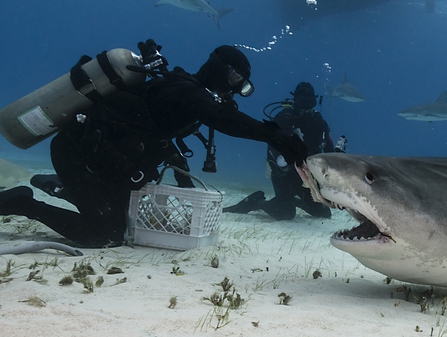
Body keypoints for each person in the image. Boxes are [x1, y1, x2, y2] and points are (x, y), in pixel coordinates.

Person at [0, 45, 309, 247]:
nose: (235, 89)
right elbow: (223, 119)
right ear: (221, 71)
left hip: (100, 160)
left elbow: (149, 129)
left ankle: (60, 187)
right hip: (77, 153)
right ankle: (23, 203)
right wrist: (276, 137)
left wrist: (175, 158)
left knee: (121, 218)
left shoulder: (182, 88)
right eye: (236, 80)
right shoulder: (187, 92)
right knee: (106, 235)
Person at [224, 81, 344, 220]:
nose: (305, 106)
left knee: (323, 212)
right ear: (294, 101)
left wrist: (338, 158)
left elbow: (328, 150)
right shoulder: (283, 119)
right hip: (284, 176)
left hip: (306, 176)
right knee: (285, 213)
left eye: (309, 101)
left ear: (315, 102)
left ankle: (293, 201)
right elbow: (271, 148)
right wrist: (280, 168)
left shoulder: (320, 123)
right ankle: (258, 201)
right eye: (302, 101)